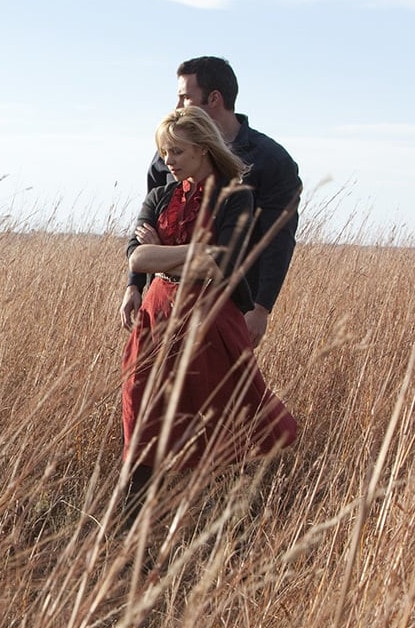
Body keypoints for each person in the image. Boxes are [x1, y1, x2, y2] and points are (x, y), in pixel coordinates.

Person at [119, 106, 298, 526]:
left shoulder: (236, 197)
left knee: (223, 410)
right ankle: (130, 527)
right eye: (165, 152)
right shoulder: (160, 195)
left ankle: (227, 517)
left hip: (210, 316)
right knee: (142, 410)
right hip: (156, 315)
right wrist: (147, 272)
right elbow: (138, 254)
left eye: (176, 151)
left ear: (203, 149)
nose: (168, 160)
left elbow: (222, 263)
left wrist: (165, 252)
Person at [120, 56, 301, 347]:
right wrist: (134, 285)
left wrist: (261, 308)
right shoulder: (165, 159)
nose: (177, 107)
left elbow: (277, 239)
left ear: (214, 98)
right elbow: (142, 236)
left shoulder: (271, 161)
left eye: (185, 97)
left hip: (225, 307)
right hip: (162, 305)